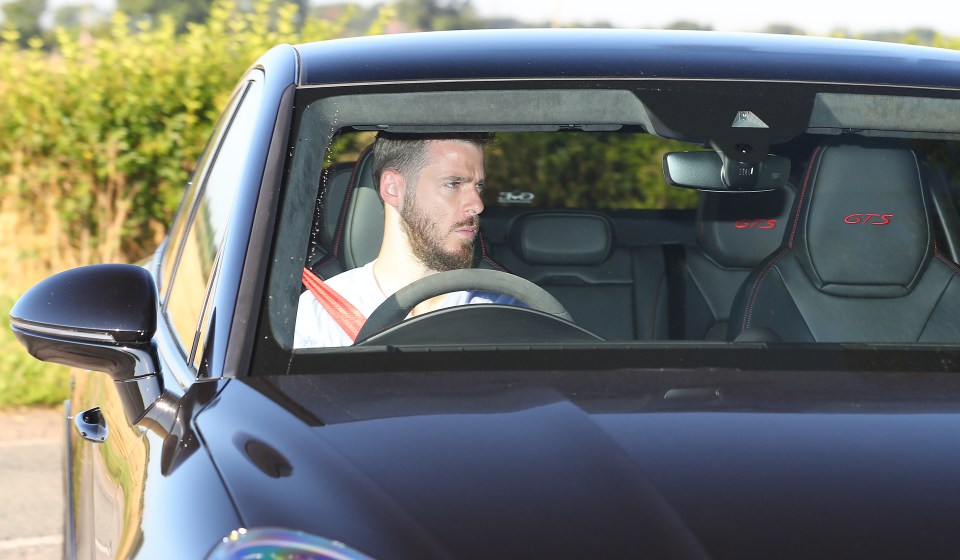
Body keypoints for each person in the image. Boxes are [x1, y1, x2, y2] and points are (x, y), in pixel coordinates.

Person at [294, 132, 517, 347]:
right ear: (393, 188)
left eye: (478, 186)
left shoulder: (505, 312)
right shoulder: (318, 318)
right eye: (454, 184)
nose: (478, 205)